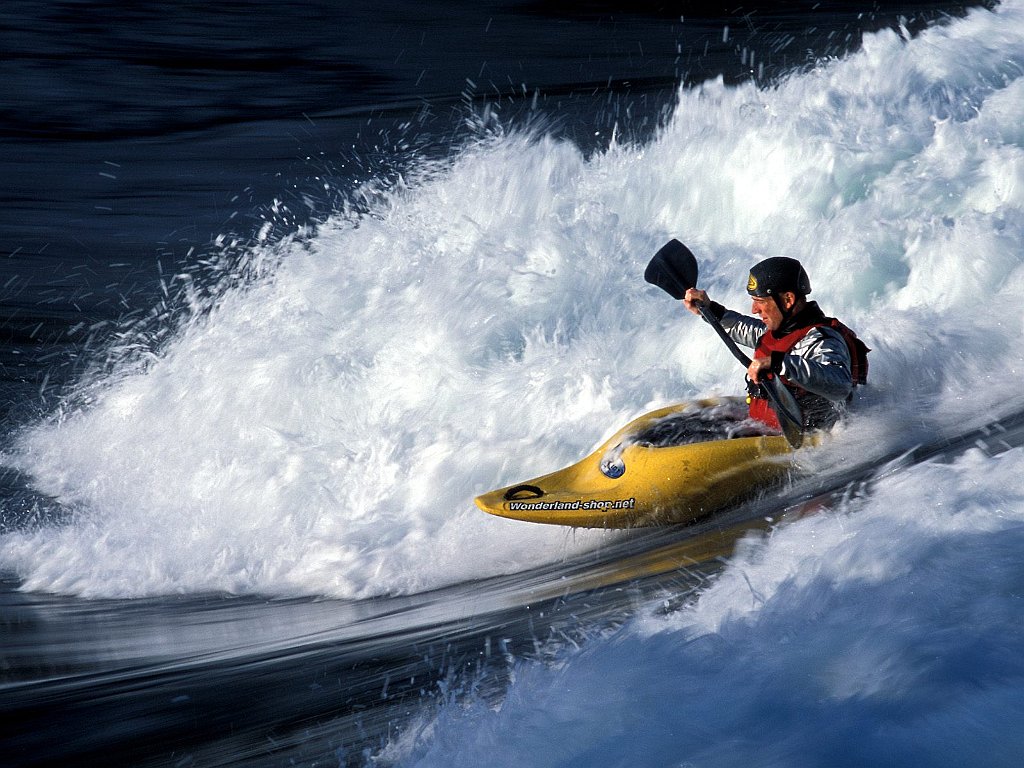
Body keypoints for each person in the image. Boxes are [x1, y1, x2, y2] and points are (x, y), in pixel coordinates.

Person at [682, 256, 868, 431]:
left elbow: (840, 384)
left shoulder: (822, 339)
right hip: (761, 426)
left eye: (760, 301)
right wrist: (709, 309)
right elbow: (744, 328)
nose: (754, 309)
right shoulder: (780, 331)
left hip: (805, 439)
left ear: (788, 300)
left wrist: (778, 363)